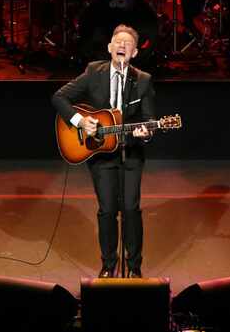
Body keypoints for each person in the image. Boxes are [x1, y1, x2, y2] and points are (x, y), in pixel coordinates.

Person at [51, 24, 155, 278]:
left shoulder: (142, 80)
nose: (122, 45)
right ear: (109, 48)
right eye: (117, 41)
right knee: (107, 210)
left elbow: (149, 120)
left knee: (131, 209)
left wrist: (148, 132)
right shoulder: (92, 72)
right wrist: (80, 122)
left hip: (130, 153)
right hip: (100, 155)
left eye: (127, 43)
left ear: (135, 53)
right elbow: (59, 98)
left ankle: (134, 267)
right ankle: (109, 265)